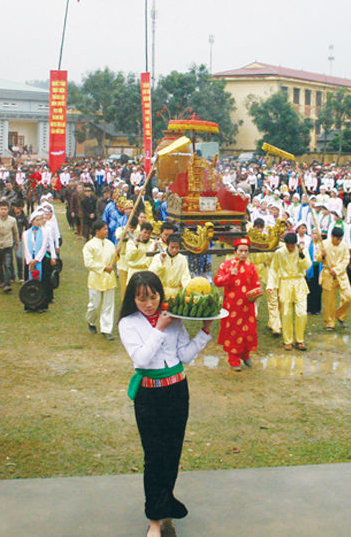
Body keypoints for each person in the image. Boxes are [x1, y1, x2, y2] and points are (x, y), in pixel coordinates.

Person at [118, 271, 214, 537]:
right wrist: (159, 328)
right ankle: (155, 521)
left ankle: (165, 503)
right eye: (141, 299)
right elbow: (141, 360)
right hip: (149, 396)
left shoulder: (174, 318)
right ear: (132, 299)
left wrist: (204, 331)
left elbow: (184, 356)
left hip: (177, 392)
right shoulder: (128, 323)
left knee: (172, 455)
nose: (148, 304)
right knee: (154, 457)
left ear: (161, 294)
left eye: (153, 296)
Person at [213, 238, 261, 371]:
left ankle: (245, 355)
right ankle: (234, 360)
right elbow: (217, 281)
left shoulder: (251, 267)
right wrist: (229, 275)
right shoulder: (226, 265)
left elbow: (256, 285)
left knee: (248, 331)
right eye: (241, 251)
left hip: (248, 306)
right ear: (235, 251)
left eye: (246, 251)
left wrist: (255, 296)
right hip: (232, 306)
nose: (243, 254)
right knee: (233, 331)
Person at [269, 232, 311, 351]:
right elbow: (273, 269)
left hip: (299, 282)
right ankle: (288, 341)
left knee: (301, 312)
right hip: (285, 283)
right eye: (288, 245)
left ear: (296, 243)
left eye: (292, 245)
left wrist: (301, 255)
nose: (290, 247)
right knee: (286, 313)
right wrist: (271, 285)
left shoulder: (302, 251)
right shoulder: (279, 252)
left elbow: (308, 265)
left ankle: (300, 340)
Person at [83, 221, 118, 341]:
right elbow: (88, 263)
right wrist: (103, 267)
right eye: (104, 229)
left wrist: (117, 254)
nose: (107, 231)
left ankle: (106, 329)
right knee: (95, 304)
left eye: (107, 228)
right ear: (97, 231)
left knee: (108, 305)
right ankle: (91, 320)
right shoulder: (89, 246)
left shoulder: (110, 244)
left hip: (109, 278)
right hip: (96, 278)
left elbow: (113, 260)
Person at [317, 225, 351, 331]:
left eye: (340, 239)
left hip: (341, 274)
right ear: (332, 236)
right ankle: (329, 323)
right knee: (329, 301)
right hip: (328, 274)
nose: (338, 241)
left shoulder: (344, 245)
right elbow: (317, 258)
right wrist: (322, 255)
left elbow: (346, 259)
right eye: (337, 239)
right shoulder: (324, 244)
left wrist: (337, 270)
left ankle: (340, 315)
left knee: (348, 296)